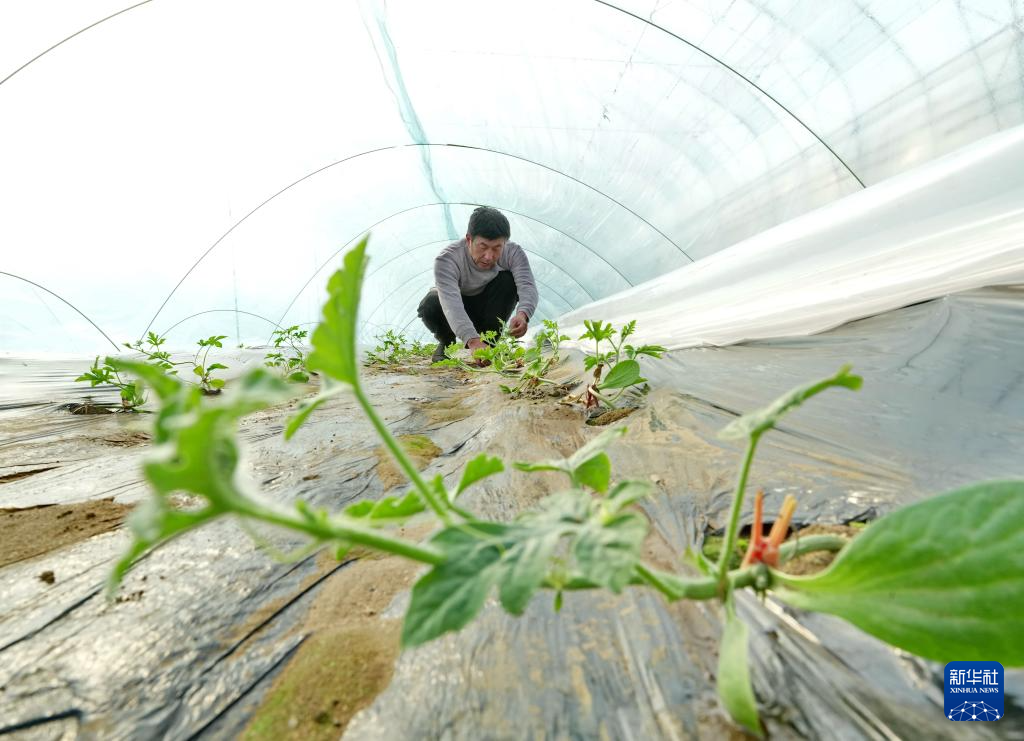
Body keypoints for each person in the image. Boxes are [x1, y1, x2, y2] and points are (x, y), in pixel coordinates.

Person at [417, 206, 539, 363]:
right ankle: (446, 342)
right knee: (431, 302)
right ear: (469, 240)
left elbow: (527, 285)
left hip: (488, 307)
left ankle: (489, 344)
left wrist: (523, 314)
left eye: (497, 248)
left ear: (505, 243)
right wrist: (472, 340)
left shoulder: (513, 252)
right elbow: (451, 305)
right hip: (458, 306)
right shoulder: (447, 260)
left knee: (508, 281)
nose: (489, 256)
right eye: (483, 247)